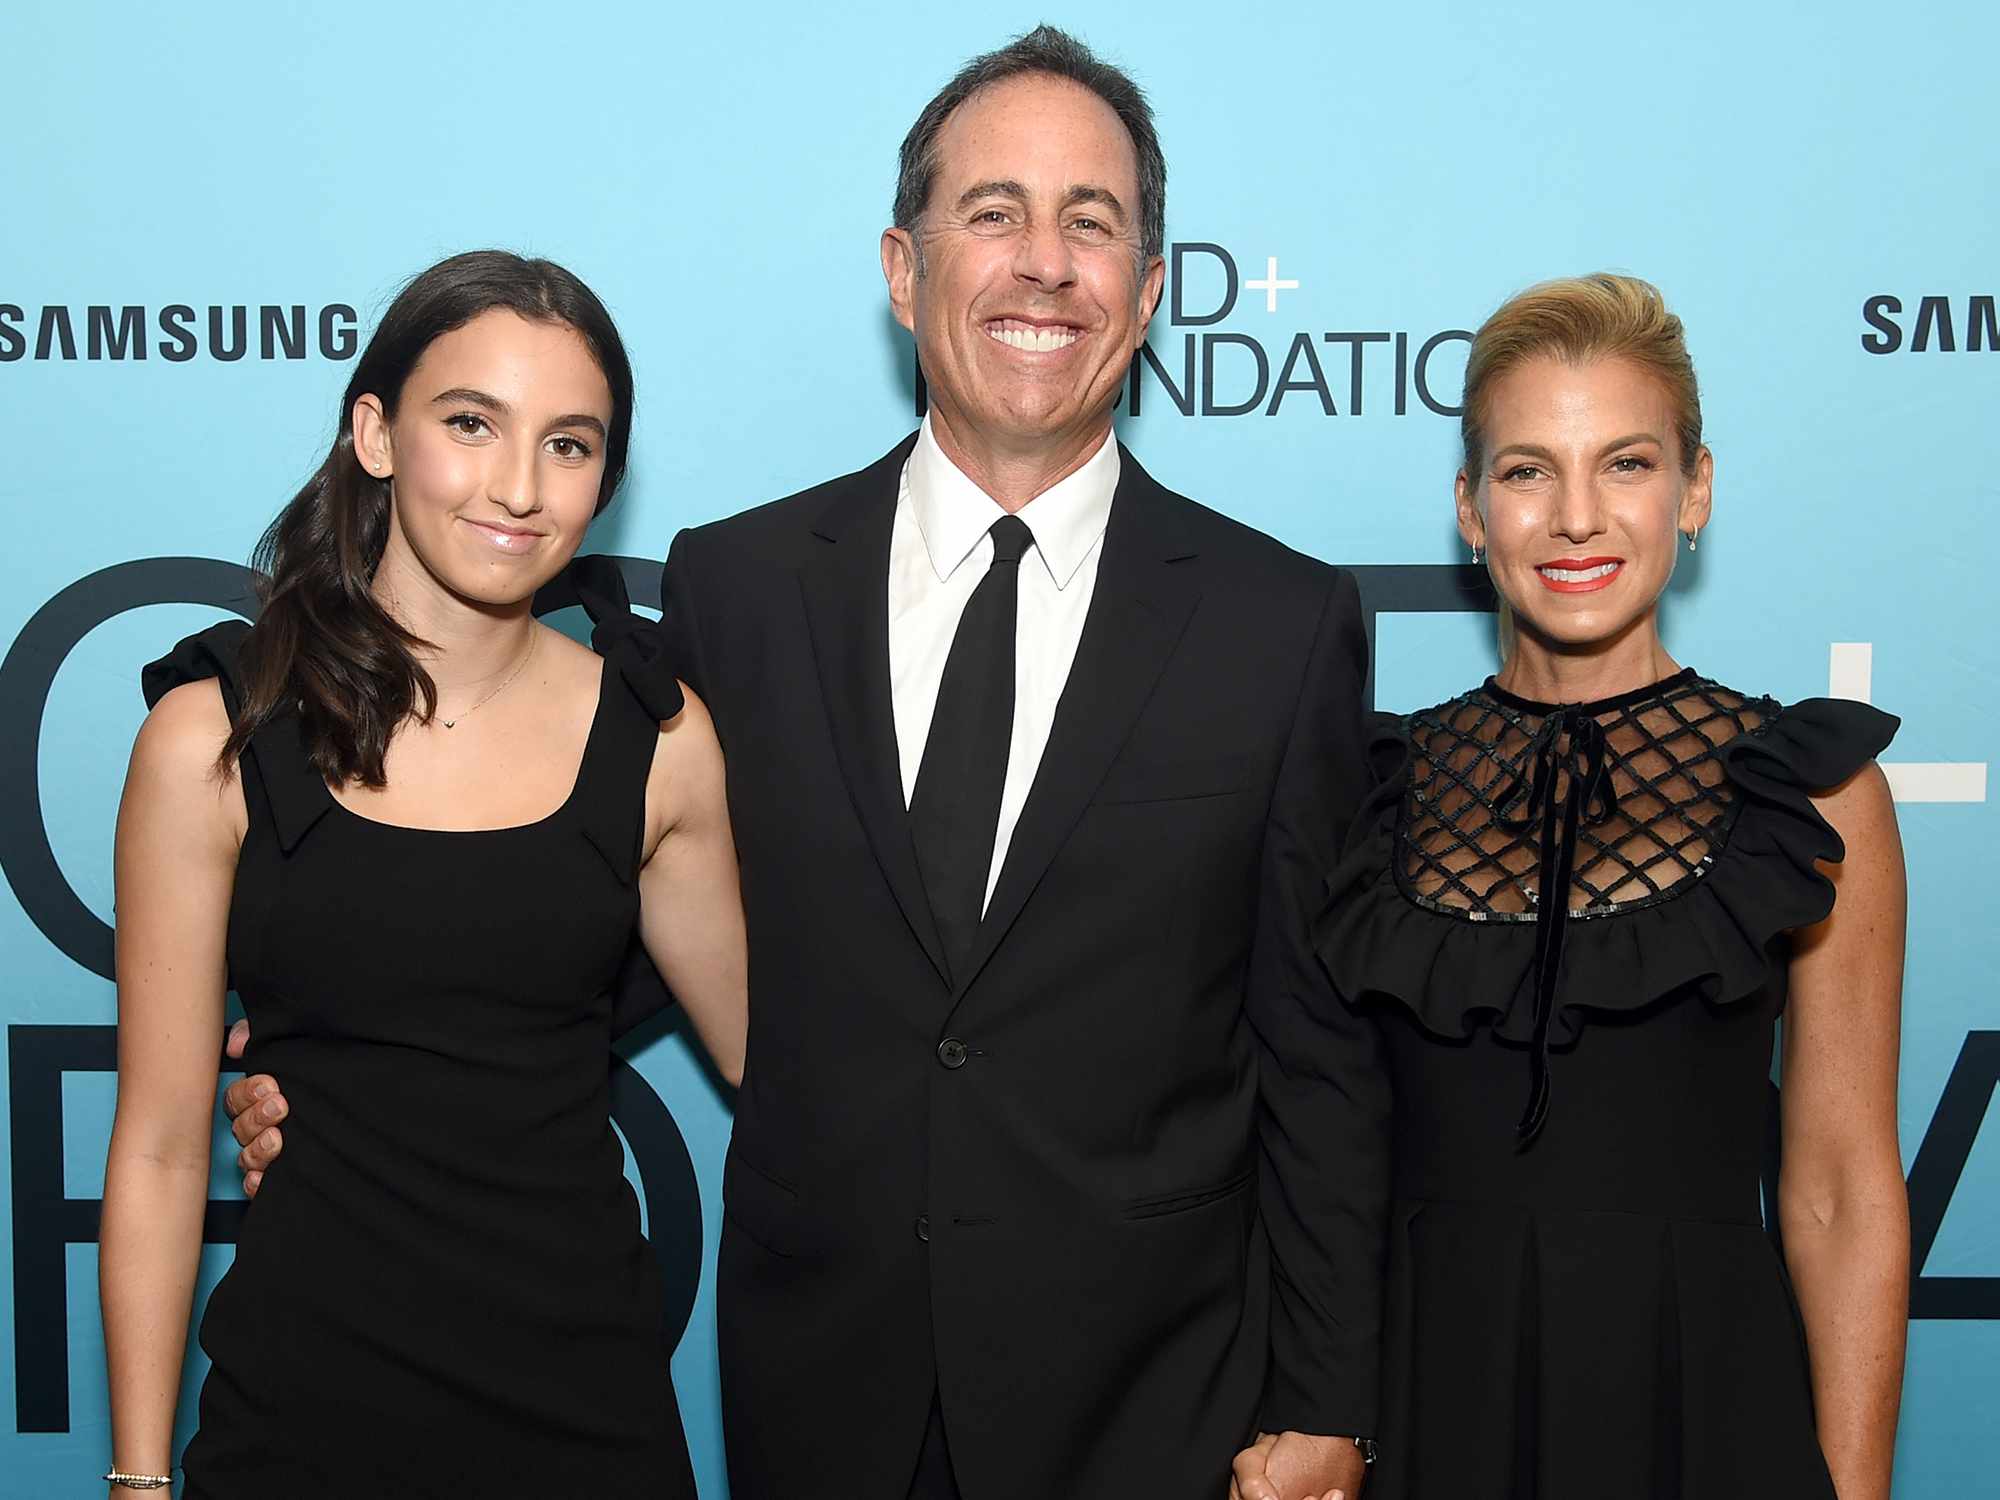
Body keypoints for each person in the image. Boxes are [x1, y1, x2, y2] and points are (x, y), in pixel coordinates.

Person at [226, 27, 1385, 1500]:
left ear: (1149, 293)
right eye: (993, 214)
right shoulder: (739, 588)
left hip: (1152, 1401)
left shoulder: (1279, 623)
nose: (1043, 263)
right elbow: (600, 925)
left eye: (1090, 223)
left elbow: (1320, 1048)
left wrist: (1332, 1395)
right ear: (903, 272)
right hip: (825, 1389)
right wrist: (341, 1078)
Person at [1243, 273, 1909, 1500]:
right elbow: (1305, 1142)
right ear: (1467, 507)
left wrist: (1855, 1493)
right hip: (1420, 1408)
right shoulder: (1369, 791)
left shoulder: (1809, 796)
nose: (1576, 519)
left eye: (1625, 464)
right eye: (1526, 470)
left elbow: (1837, 1190)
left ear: (1693, 491)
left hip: (1703, 1407)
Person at [100, 250, 747, 1498]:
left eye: (570, 443)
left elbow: (780, 1062)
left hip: (586, 1413)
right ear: (375, 433)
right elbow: (165, 1147)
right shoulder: (215, 737)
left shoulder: (658, 742)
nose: (519, 486)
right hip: (302, 1409)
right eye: (470, 424)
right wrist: (137, 1485)